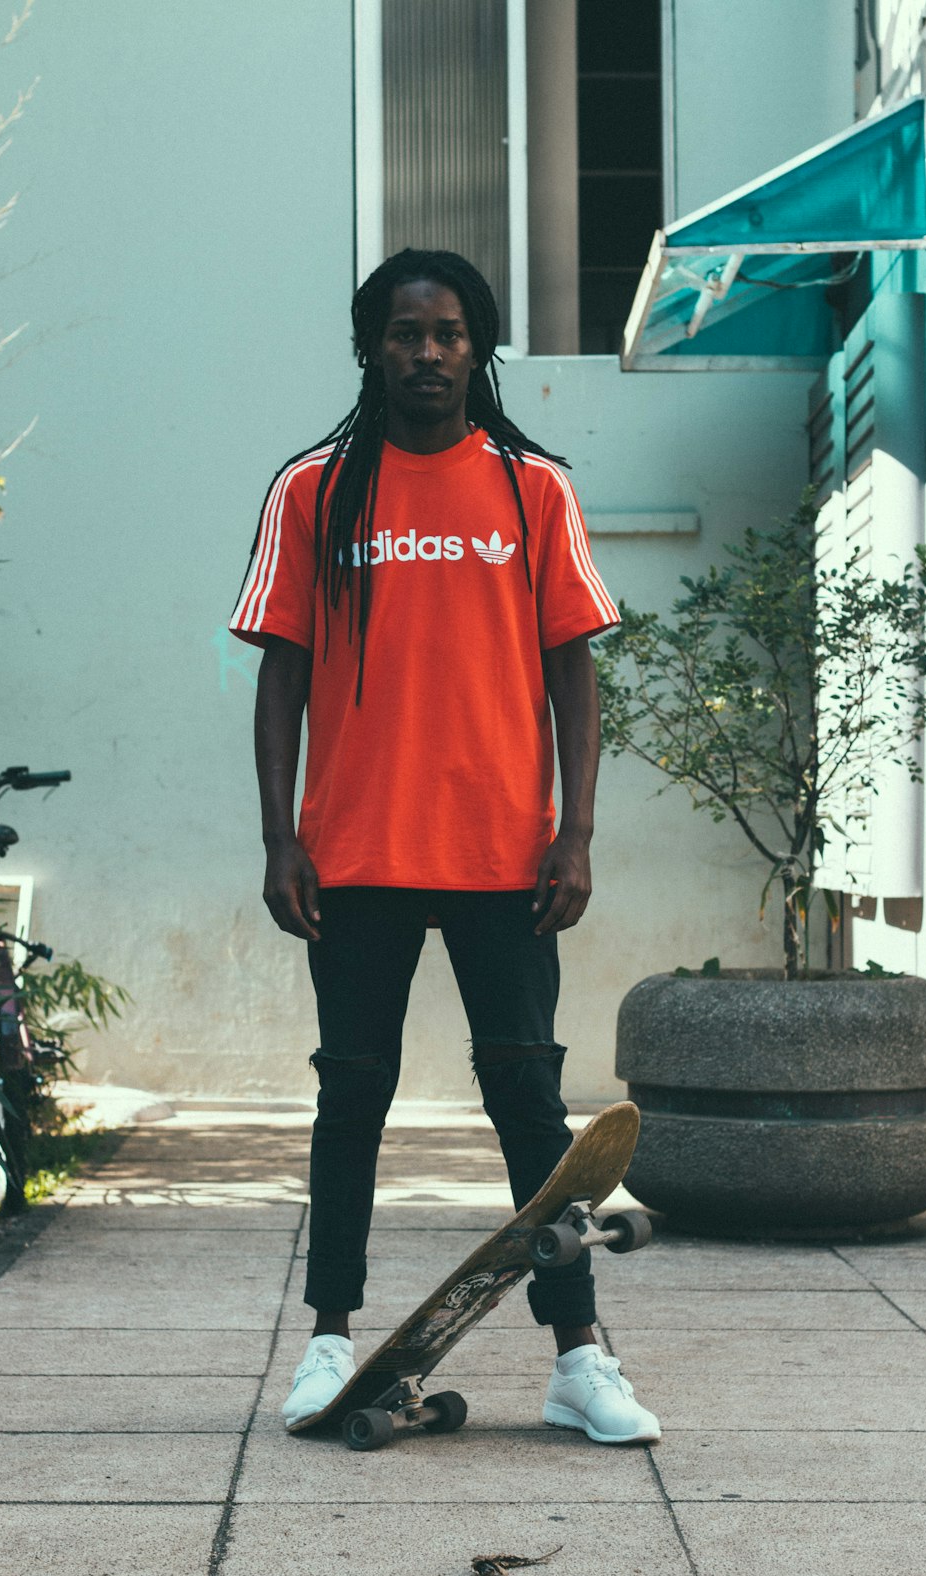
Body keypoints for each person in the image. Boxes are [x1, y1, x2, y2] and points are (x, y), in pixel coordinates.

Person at [228, 248, 660, 1445]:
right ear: (370, 347)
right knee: (350, 1099)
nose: (427, 351)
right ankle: (325, 1344)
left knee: (530, 1108)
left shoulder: (532, 489)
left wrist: (573, 832)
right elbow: (282, 676)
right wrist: (281, 838)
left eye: (450, 332)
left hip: (503, 857)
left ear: (479, 349)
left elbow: (572, 670)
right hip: (355, 853)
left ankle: (579, 1360)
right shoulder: (315, 490)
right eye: (405, 332)